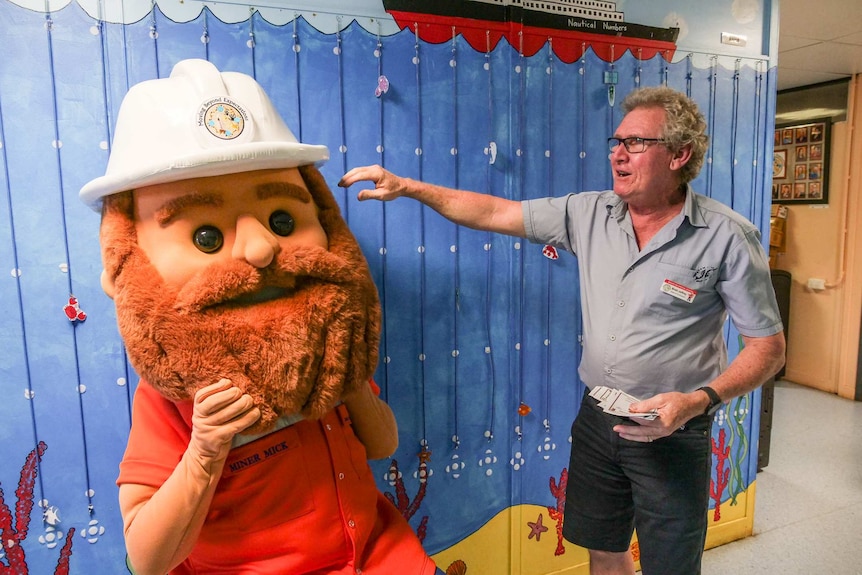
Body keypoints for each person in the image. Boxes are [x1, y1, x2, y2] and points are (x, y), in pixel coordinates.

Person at [339, 86, 785, 575]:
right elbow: (493, 212)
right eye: (616, 141)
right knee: (602, 546)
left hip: (675, 427)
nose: (617, 152)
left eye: (635, 143)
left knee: (671, 564)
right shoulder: (589, 212)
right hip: (598, 417)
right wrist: (409, 187)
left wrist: (698, 401)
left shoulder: (726, 236)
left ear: (679, 155)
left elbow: (768, 348)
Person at [80, 59, 438, 575]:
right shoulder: (174, 394)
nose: (261, 248)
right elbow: (146, 561)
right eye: (206, 235)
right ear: (126, 258)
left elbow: (382, 445)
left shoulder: (318, 336)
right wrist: (205, 450)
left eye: (282, 219)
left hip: (381, 556)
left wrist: (348, 377)